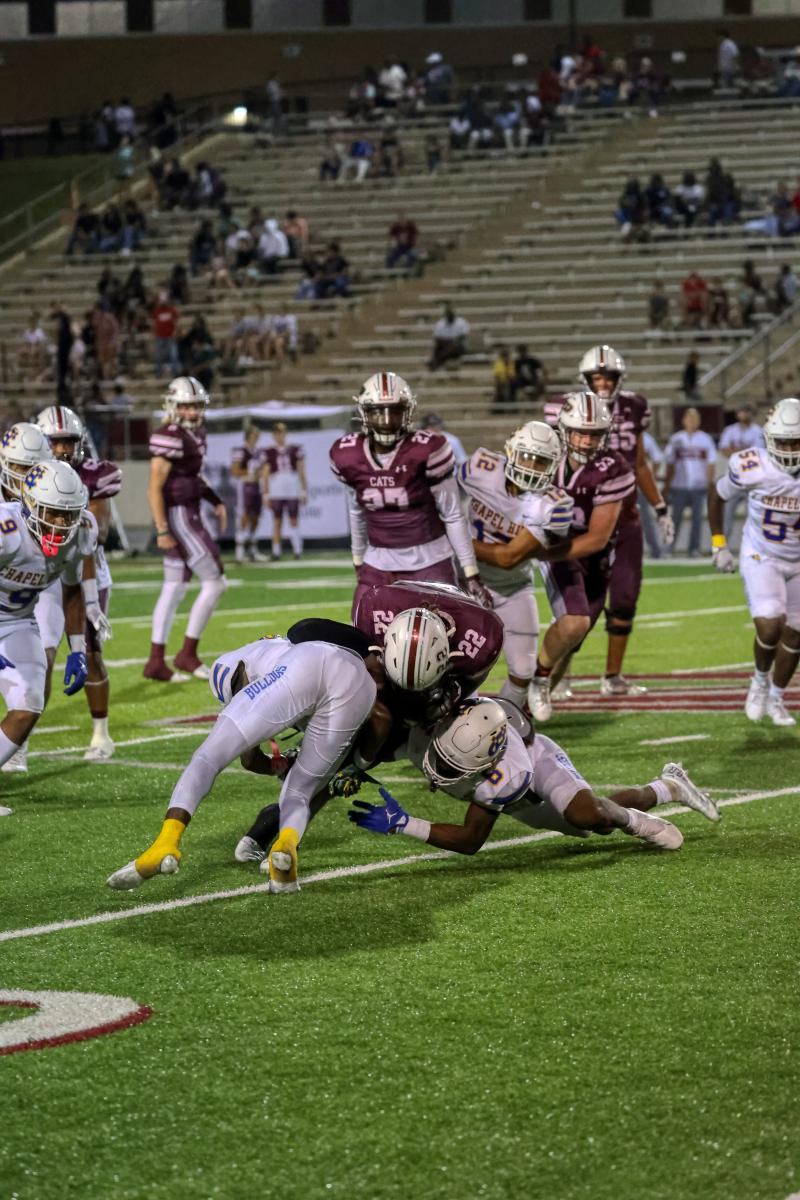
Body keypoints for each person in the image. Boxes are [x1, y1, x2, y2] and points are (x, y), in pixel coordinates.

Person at [108, 621, 386, 892]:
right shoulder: (270, 650)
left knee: (207, 758)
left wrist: (270, 763)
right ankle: (285, 850)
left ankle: (165, 844)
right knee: (300, 790)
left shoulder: (231, 667)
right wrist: (282, 764)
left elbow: (249, 758)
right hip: (358, 685)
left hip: (305, 666)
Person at [349, 698, 719, 857]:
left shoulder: (508, 773)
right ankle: (668, 786)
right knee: (595, 826)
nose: (442, 773)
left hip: (537, 762)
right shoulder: (425, 732)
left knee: (587, 815)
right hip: (513, 792)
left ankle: (638, 822)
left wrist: (405, 824)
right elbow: (368, 749)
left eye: (454, 767)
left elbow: (471, 839)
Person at [474, 392, 636, 721]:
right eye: (579, 432)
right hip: (548, 545)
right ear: (564, 429)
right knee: (574, 623)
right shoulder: (544, 451)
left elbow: (596, 538)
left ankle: (528, 701)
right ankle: (528, 689)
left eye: (594, 434)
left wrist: (539, 550)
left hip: (586, 555)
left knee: (570, 639)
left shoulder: (613, 467)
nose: (587, 441)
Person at [544, 345, 673, 697]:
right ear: (585, 379)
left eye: (609, 377)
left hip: (624, 515)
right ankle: (559, 676)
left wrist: (659, 505)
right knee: (580, 606)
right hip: (579, 516)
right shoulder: (564, 407)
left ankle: (613, 676)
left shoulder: (634, 407)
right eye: (597, 378)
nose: (603, 383)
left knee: (625, 598)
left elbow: (640, 462)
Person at [329, 372, 492, 615]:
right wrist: (359, 560)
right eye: (378, 412)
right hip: (377, 562)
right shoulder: (348, 455)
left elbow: (452, 515)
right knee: (361, 631)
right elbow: (357, 512)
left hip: (429, 559)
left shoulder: (427, 449)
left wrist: (471, 573)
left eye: (394, 411)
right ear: (364, 413)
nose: (386, 420)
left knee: (441, 632)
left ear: (407, 412)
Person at [457, 423, 572, 709]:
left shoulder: (554, 504)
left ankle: (503, 724)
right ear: (510, 451)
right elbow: (443, 500)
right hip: (463, 581)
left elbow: (508, 558)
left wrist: (455, 541)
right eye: (527, 456)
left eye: (541, 461)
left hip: (512, 585)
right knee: (457, 664)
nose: (531, 466)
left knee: (523, 670)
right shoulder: (481, 468)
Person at [34, 406, 121, 762]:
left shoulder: (93, 476)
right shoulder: (30, 478)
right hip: (44, 577)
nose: (62, 449)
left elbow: (96, 534)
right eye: (55, 442)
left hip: (87, 573)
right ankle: (20, 741)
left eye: (68, 441)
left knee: (89, 654)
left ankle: (101, 734)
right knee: (40, 656)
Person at [0, 456, 91, 794]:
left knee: (29, 704)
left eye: (69, 514)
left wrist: (77, 650)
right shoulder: (7, 531)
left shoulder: (81, 533)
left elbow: (72, 589)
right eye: (53, 512)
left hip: (17, 621)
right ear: (30, 504)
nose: (61, 523)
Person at [709, 397, 800, 727]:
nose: (789, 449)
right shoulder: (751, 465)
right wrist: (719, 544)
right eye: (783, 441)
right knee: (770, 623)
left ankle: (776, 698)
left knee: (796, 635)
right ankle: (760, 681)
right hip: (763, 554)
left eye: (795, 441)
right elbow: (717, 495)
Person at [142, 377, 227, 683]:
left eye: (195, 405)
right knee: (215, 582)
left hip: (187, 511)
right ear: (172, 406)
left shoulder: (194, 433)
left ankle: (156, 661)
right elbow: (154, 487)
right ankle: (187, 654)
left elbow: (193, 476)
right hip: (180, 516)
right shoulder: (169, 435)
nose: (191, 412)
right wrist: (162, 529)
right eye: (185, 406)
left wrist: (214, 499)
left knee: (174, 586)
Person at [664, 408, 716, 557]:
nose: (691, 421)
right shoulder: (676, 439)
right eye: (689, 418)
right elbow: (670, 463)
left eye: (694, 418)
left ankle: (694, 549)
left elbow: (711, 463)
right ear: (683, 420)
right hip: (679, 485)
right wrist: (667, 485)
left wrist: (709, 483)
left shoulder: (705, 439)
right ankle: (668, 548)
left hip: (699, 485)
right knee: (675, 519)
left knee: (697, 520)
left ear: (699, 421)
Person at [717, 407, 766, 549]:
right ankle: (721, 547)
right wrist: (744, 452)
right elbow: (723, 450)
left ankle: (753, 547)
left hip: (753, 481)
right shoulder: (730, 430)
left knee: (753, 515)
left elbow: (757, 454)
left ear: (751, 413)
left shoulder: (758, 431)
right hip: (733, 479)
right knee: (726, 515)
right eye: (741, 411)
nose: (743, 414)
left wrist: (735, 452)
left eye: (746, 411)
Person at [263, 421, 307, 561]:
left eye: (281, 433)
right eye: (277, 433)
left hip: (292, 488)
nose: (279, 436)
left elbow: (301, 471)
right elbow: (265, 474)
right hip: (276, 489)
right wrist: (266, 494)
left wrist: (304, 491)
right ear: (273, 435)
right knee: (277, 521)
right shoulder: (268, 452)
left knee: (293, 519)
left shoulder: (295, 450)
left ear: (285, 434)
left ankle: (297, 550)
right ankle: (276, 551)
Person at [230, 424, 267, 564]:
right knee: (244, 516)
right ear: (247, 436)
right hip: (245, 485)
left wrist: (262, 475)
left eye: (256, 436)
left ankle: (252, 549)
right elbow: (234, 471)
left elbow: (264, 470)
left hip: (257, 486)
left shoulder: (259, 452)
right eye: (253, 436)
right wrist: (249, 472)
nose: (255, 438)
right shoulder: (240, 451)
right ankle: (239, 552)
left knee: (256, 517)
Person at [429, 304, 470, 371]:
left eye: (451, 314)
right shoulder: (440, 323)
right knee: (439, 347)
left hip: (459, 347)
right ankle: (436, 361)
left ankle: (436, 362)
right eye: (448, 314)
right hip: (444, 345)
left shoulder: (461, 322)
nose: (450, 316)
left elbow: (463, 336)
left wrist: (453, 341)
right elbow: (437, 338)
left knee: (453, 345)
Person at [492, 346, 516, 410]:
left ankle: (509, 405)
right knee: (500, 386)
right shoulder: (498, 364)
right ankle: (497, 406)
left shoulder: (511, 363)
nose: (505, 358)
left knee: (508, 386)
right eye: (504, 356)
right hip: (501, 382)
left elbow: (512, 375)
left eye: (506, 355)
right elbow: (496, 376)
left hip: (510, 382)